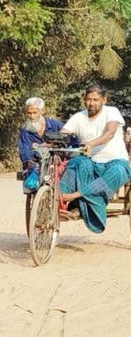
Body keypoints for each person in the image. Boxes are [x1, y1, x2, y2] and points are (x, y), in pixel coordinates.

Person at [58, 83, 131, 232]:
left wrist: (91, 143)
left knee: (118, 171)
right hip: (91, 163)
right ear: (84, 100)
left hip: (115, 161)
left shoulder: (112, 112)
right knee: (77, 161)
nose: (91, 103)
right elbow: (64, 132)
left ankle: (74, 197)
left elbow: (109, 132)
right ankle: (58, 200)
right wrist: (52, 140)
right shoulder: (79, 117)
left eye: (95, 99)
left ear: (104, 99)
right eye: (88, 99)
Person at [18, 97, 66, 192]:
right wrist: (27, 160)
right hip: (36, 160)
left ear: (41, 111)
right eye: (29, 113)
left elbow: (66, 137)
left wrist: (53, 144)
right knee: (31, 182)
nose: (32, 116)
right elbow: (24, 146)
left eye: (35, 113)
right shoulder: (25, 129)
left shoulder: (55, 124)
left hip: (55, 158)